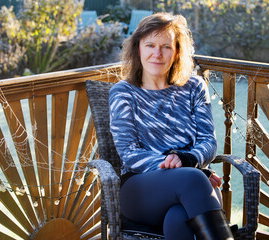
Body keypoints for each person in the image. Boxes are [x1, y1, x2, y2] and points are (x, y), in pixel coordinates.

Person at [109, 12, 234, 240]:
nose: (157, 54)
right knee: (195, 180)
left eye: (166, 46)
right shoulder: (123, 92)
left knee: (178, 218)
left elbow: (208, 142)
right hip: (139, 190)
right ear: (138, 49)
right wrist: (184, 169)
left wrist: (187, 161)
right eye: (150, 45)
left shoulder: (194, 86)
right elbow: (129, 154)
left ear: (177, 51)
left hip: (189, 183)